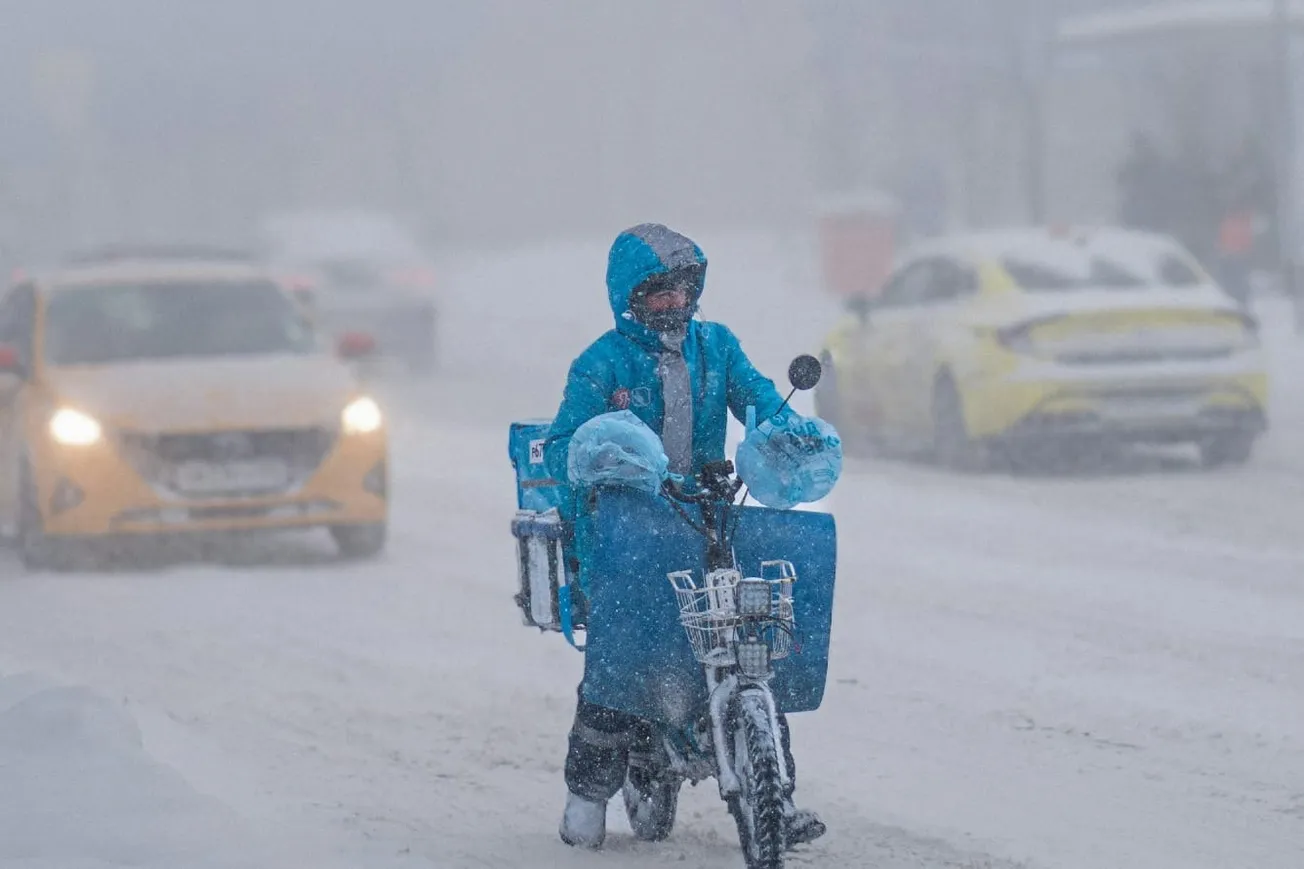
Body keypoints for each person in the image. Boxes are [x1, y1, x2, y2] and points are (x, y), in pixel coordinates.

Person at [542, 223, 827, 851]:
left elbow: (759, 402)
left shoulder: (717, 347)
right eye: (658, 293)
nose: (674, 303)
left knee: (757, 646)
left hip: (707, 518)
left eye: (682, 289)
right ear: (629, 297)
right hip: (627, 536)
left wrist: (789, 433)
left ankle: (775, 792)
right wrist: (610, 460)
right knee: (617, 673)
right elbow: (565, 447)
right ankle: (585, 799)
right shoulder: (600, 363)